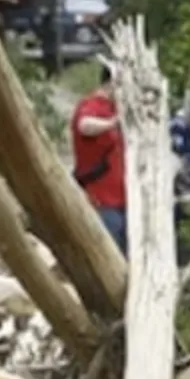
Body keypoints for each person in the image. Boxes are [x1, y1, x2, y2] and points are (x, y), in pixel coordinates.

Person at [71, 64, 127, 254]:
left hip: (123, 201)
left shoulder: (115, 108)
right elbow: (84, 125)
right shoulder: (93, 105)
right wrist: (113, 123)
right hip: (102, 201)